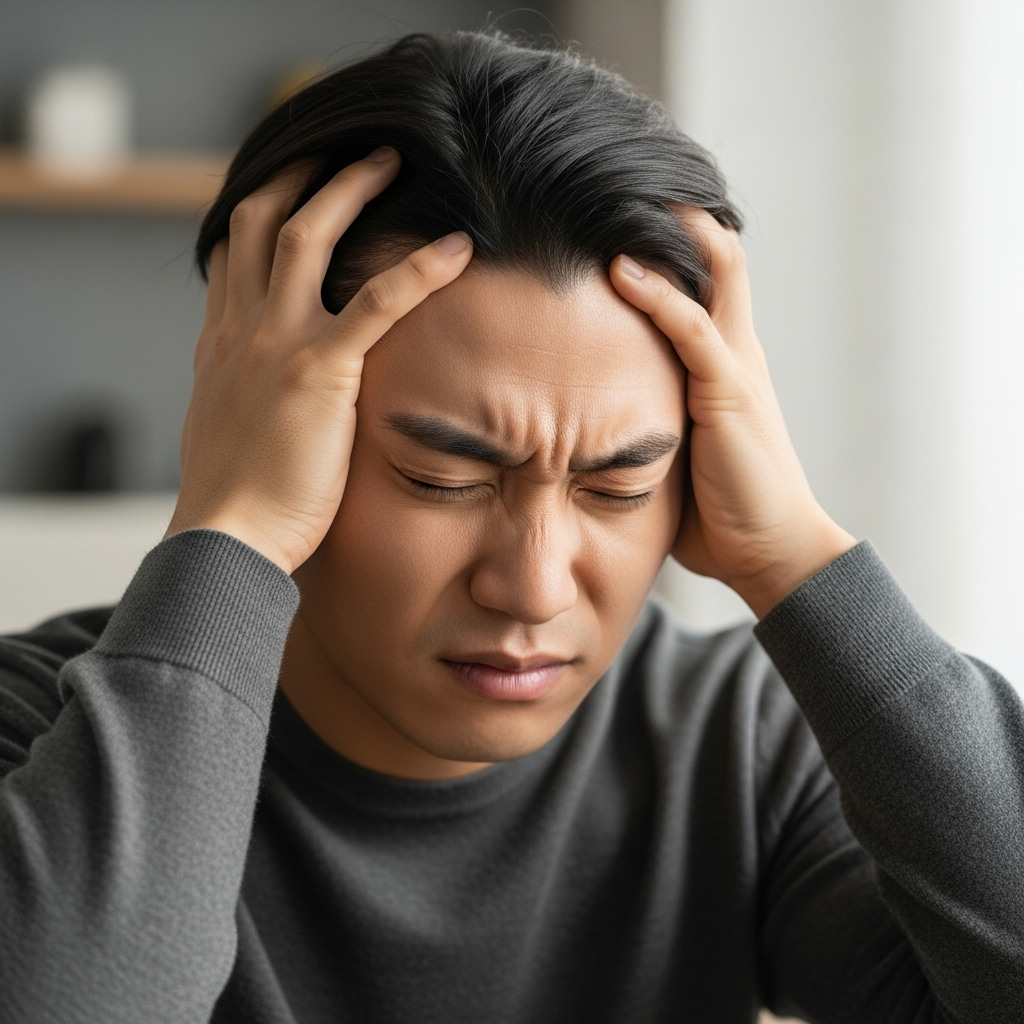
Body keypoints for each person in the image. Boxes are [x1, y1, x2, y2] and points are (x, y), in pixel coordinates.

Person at [0, 30, 1021, 1024]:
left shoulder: (739, 747)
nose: (533, 588)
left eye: (620, 486)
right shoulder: (39, 734)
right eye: (440, 476)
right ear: (259, 421)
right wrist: (234, 530)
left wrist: (798, 555)